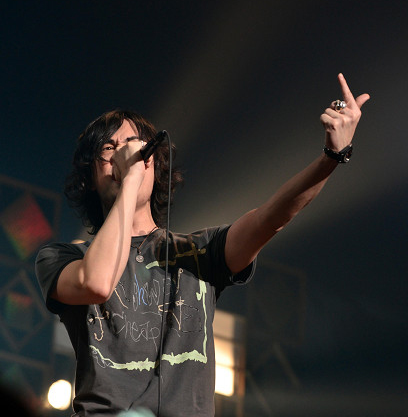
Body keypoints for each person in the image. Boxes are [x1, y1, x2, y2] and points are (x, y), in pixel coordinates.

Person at [35, 73, 369, 416]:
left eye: (134, 145)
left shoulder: (200, 251)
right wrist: (130, 178)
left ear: (154, 163)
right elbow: (97, 282)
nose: (124, 154)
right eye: (109, 149)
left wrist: (332, 156)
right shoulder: (64, 257)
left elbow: (271, 218)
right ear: (90, 177)